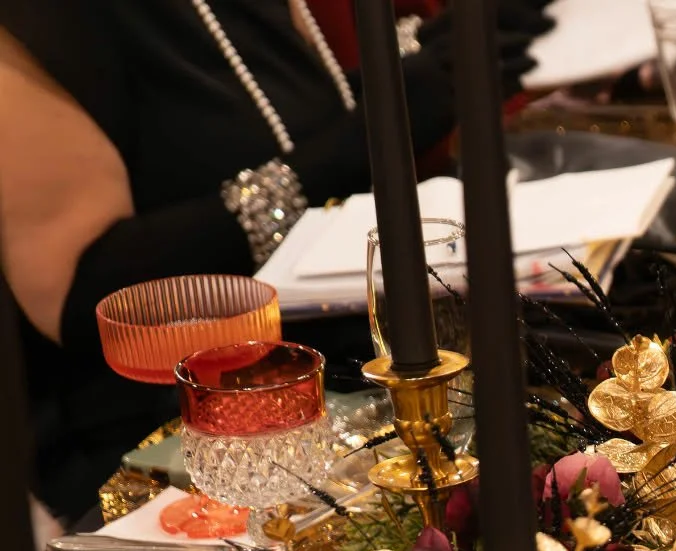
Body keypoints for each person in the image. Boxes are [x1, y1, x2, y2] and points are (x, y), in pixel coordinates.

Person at [0, 0, 555, 516]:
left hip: (350, 402)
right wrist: (358, 144)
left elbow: (259, 126)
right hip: (181, 452)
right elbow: (81, 292)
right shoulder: (51, 19)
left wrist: (417, 68)